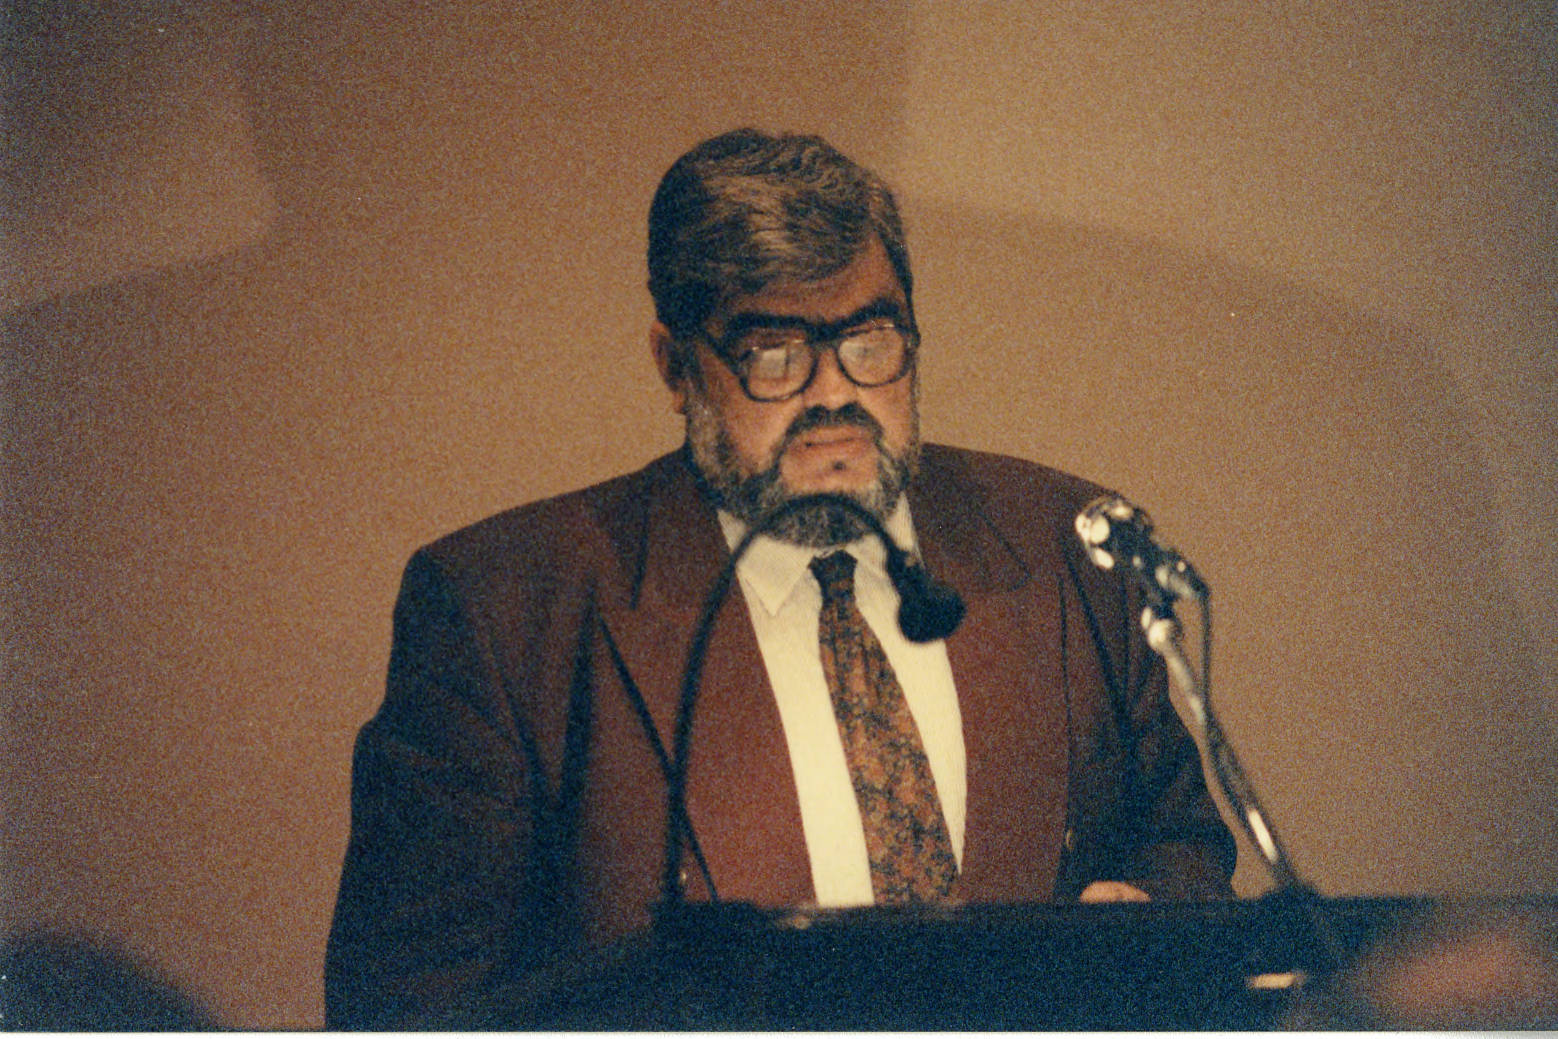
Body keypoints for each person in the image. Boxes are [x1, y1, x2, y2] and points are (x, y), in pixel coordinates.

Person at [324, 128, 1236, 1029]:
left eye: (869, 339)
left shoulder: (1072, 547)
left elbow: (1182, 842)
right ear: (676, 367)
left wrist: (1151, 913)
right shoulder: (505, 612)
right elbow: (406, 1011)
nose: (834, 392)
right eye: (774, 353)